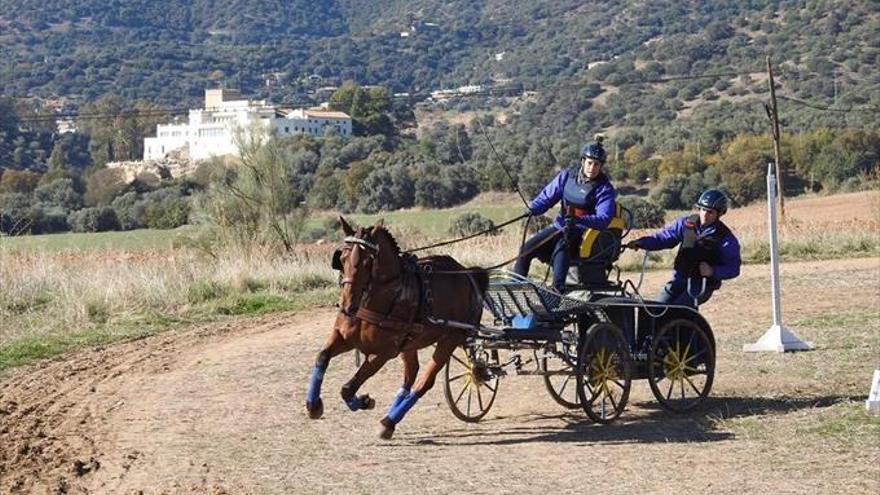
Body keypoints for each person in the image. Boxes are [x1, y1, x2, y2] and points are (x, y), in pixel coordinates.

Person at [513, 137, 617, 292]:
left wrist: (578, 219)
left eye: (597, 165)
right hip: (559, 226)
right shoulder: (566, 176)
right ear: (583, 161)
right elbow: (548, 197)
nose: (592, 168)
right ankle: (516, 288)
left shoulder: (604, 189)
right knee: (526, 249)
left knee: (562, 245)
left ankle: (557, 290)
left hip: (583, 233)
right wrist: (533, 209)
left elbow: (603, 219)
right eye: (589, 163)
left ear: (601, 166)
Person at [626, 189, 741, 306]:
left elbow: (733, 268)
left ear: (720, 213)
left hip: (701, 284)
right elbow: (664, 238)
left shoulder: (726, 238)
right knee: (657, 307)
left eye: (710, 212)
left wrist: (712, 271)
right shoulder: (686, 224)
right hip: (679, 279)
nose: (704, 214)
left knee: (679, 309)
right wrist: (642, 243)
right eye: (702, 209)